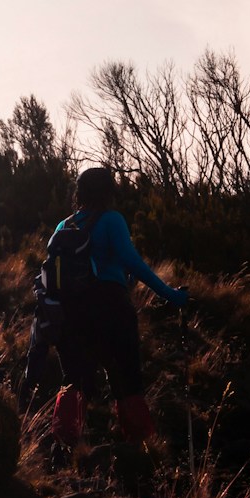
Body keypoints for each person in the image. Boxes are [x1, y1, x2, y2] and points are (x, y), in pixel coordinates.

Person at [49, 166, 188, 448]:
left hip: (71, 313)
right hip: (111, 307)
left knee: (75, 379)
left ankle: (64, 449)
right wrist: (169, 294)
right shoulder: (112, 220)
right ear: (109, 192)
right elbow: (132, 261)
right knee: (127, 377)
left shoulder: (64, 227)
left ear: (80, 192)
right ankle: (138, 449)